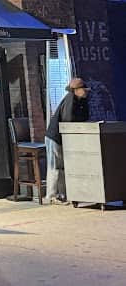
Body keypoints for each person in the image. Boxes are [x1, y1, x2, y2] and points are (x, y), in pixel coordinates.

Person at [44, 77, 90, 205]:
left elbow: (85, 116)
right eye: (83, 89)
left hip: (64, 138)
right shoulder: (70, 100)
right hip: (55, 137)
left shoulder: (81, 101)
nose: (86, 91)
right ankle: (51, 195)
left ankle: (62, 194)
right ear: (76, 90)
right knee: (54, 166)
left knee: (62, 167)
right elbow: (68, 119)